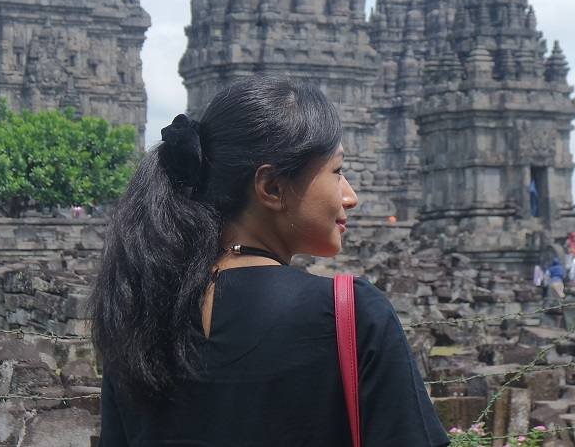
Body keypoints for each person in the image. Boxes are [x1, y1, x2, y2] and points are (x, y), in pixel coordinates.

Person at [92, 76, 449, 446]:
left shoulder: (139, 314)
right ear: (272, 187)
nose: (350, 196)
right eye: (337, 171)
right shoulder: (351, 313)